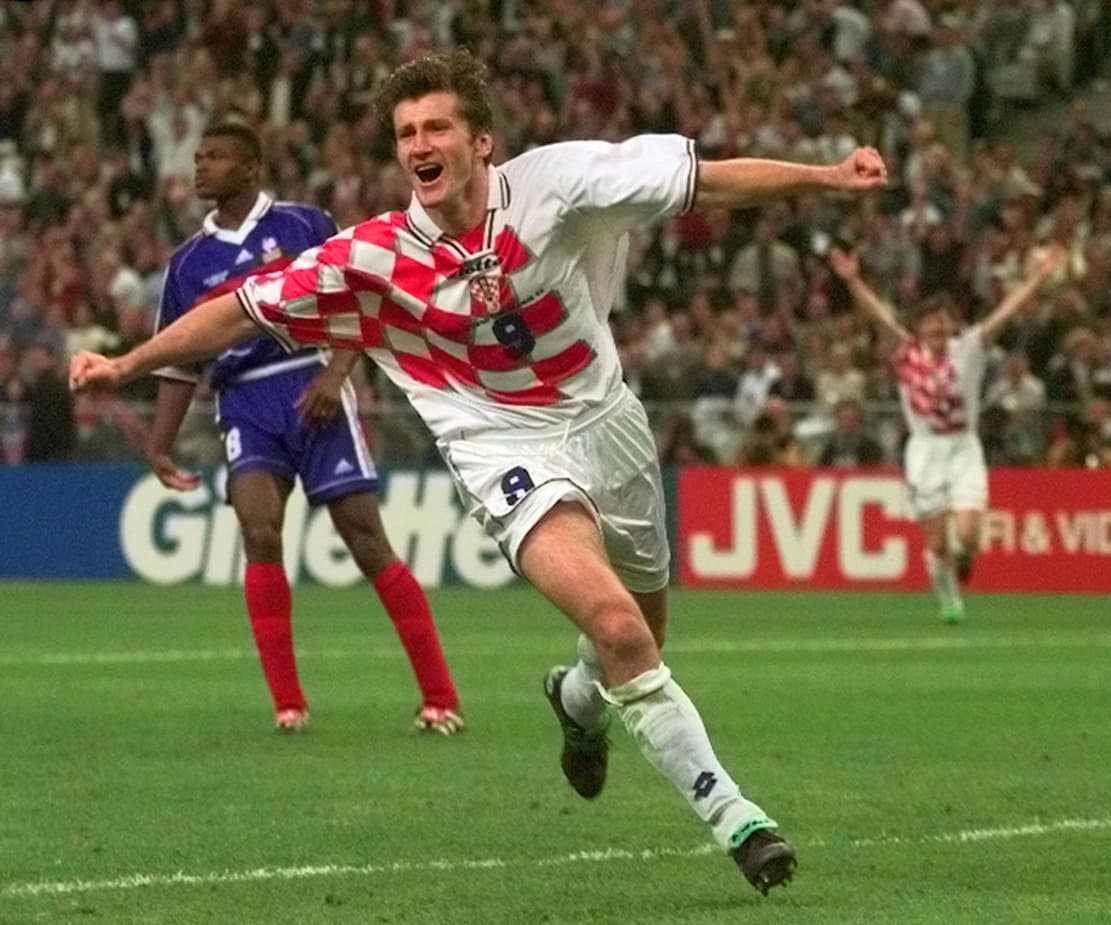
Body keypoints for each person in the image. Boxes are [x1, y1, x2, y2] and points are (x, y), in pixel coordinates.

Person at [69, 49, 890, 894]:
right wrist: (126, 364)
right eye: (406, 134)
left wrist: (826, 177)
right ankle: (737, 817)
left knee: (640, 630)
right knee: (619, 628)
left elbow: (706, 182)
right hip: (500, 447)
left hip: (607, 424)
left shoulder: (561, 183)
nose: (419, 146)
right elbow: (235, 312)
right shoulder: (375, 255)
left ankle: (578, 702)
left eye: (437, 128)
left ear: (482, 141)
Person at [145, 122, 462, 735]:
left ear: (250, 168)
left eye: (216, 157)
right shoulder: (187, 263)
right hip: (243, 400)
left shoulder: (302, 225)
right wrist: (159, 445)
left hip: (310, 379)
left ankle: (440, 697)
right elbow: (179, 361)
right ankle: (288, 707)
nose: (200, 166)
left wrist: (336, 375)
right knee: (259, 531)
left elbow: (359, 297)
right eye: (199, 157)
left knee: (364, 539)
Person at [829, 245, 1063, 623]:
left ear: (953, 325)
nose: (938, 327)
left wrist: (1037, 278)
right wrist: (853, 281)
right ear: (920, 327)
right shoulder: (907, 351)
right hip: (925, 449)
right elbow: (878, 316)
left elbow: (1005, 313)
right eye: (931, 322)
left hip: (963, 446)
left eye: (944, 321)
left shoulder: (969, 348)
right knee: (936, 542)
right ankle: (949, 600)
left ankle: (965, 556)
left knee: (968, 535)